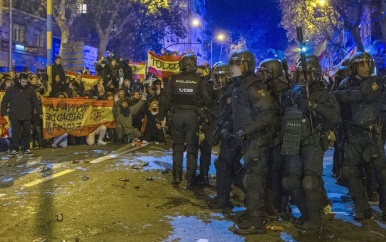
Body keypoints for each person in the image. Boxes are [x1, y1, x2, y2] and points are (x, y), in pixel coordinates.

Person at [281, 55, 341, 235]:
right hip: (293, 138)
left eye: (306, 74)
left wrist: (314, 105)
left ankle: (315, 221)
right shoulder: (293, 92)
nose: (303, 78)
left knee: (309, 181)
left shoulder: (324, 94)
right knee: (290, 181)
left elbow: (335, 118)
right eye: (300, 74)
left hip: (312, 141)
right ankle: (307, 213)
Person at [225, 50, 275, 235]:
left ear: (248, 65)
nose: (234, 68)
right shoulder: (240, 85)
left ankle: (256, 222)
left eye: (238, 64)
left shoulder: (254, 86)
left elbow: (266, 115)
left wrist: (245, 131)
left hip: (256, 139)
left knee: (253, 180)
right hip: (245, 140)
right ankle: (253, 213)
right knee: (246, 179)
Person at [334, 51, 386, 221]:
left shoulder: (376, 83)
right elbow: (338, 107)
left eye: (367, 64)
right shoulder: (344, 83)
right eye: (361, 64)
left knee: (381, 173)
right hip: (353, 134)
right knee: (349, 172)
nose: (365, 68)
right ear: (353, 67)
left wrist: (339, 95)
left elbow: (361, 95)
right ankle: (362, 207)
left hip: (373, 134)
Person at [165, 54, 211, 188]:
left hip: (177, 114)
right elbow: (207, 99)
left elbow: (167, 99)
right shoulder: (199, 80)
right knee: (192, 147)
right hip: (192, 115)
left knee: (178, 146)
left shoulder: (174, 79)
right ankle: (190, 178)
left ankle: (176, 175)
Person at [257, 58, 292, 219]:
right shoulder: (273, 86)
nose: (262, 76)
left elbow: (280, 114)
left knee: (276, 172)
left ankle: (278, 205)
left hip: (279, 137)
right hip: (274, 136)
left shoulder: (280, 89)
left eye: (265, 73)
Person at [208, 61, 244, 212]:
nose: (219, 81)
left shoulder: (233, 90)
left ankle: (224, 201)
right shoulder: (226, 91)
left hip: (234, 134)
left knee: (226, 166)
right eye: (217, 78)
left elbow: (234, 115)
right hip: (229, 133)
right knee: (225, 165)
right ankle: (222, 198)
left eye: (222, 77)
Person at [1, 72, 42, 156]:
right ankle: (14, 149)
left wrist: (39, 112)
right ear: (19, 80)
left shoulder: (30, 89)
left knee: (26, 132)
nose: (24, 84)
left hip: (26, 114)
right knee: (15, 132)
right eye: (23, 82)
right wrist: (4, 113)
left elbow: (35, 102)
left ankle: (26, 148)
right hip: (15, 115)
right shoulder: (11, 89)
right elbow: (4, 101)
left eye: (26, 82)